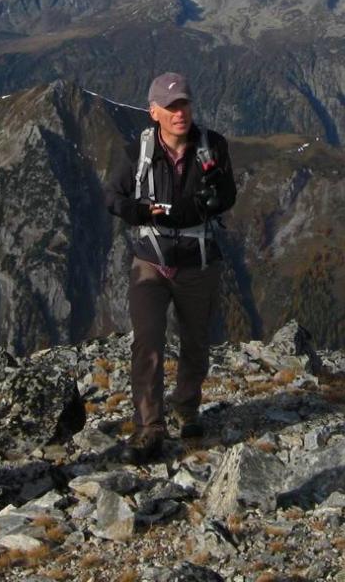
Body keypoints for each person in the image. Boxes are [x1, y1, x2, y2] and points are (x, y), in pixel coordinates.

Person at [105, 72, 237, 463]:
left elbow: (228, 193)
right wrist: (141, 212)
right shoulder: (138, 153)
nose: (180, 113)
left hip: (198, 263)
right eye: (171, 106)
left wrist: (211, 203)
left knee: (195, 342)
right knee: (148, 341)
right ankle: (150, 428)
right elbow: (112, 196)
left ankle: (187, 407)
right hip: (151, 262)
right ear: (154, 112)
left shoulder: (213, 147)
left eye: (185, 104)